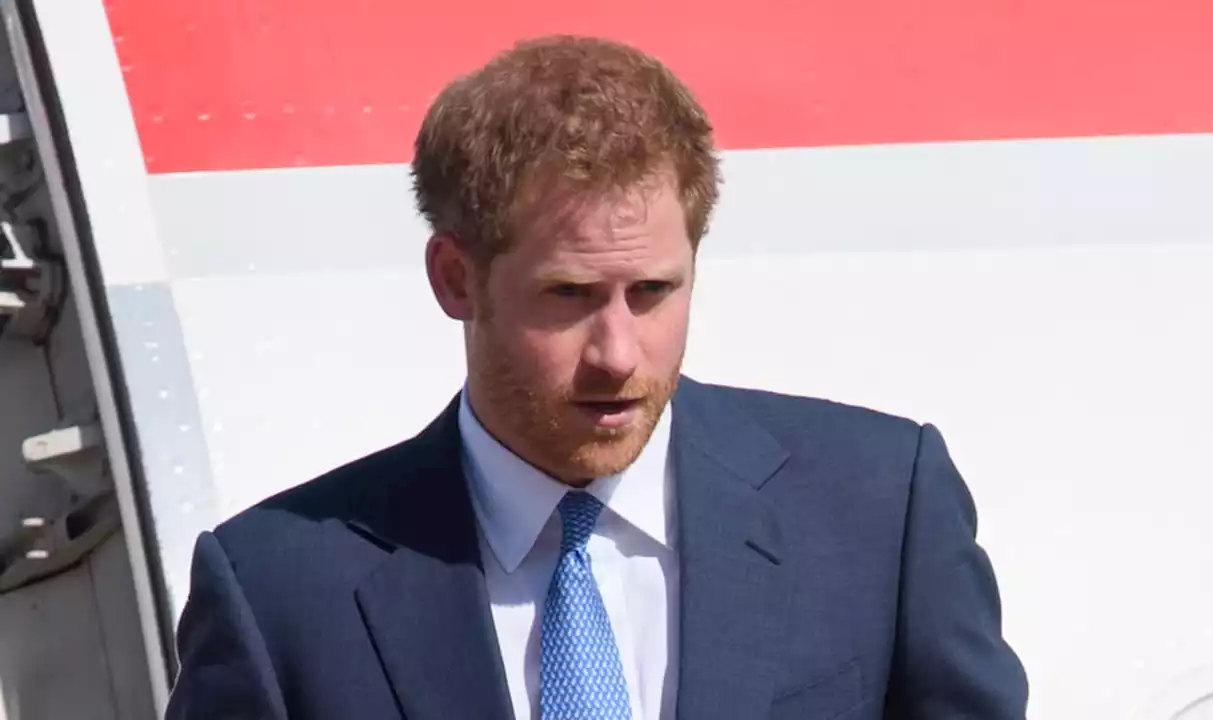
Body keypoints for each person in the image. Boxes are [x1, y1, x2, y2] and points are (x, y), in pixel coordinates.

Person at [164, 35, 1028, 720]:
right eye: (568, 296)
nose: (619, 353)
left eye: (653, 292)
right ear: (455, 279)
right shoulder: (280, 593)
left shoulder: (878, 510)